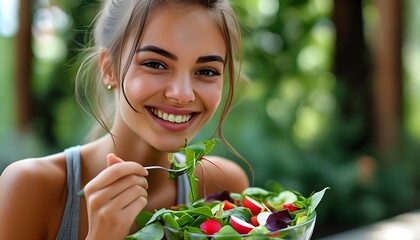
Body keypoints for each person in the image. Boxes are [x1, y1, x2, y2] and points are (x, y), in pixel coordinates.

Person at [0, 0, 250, 239]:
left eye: (206, 71)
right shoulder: (30, 189)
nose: (182, 94)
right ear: (109, 69)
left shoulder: (222, 185)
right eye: (155, 64)